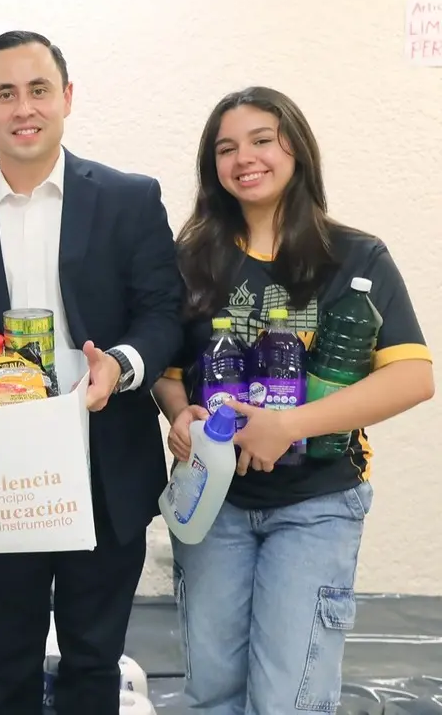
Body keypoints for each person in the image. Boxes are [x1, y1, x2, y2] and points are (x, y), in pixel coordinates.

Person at [0, 30, 184, 713]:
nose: (23, 107)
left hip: (106, 463)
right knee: (6, 667)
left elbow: (162, 315)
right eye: (5, 93)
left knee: (94, 664)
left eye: (38, 89)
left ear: (67, 97)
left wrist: (118, 367)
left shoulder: (129, 199)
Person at [154, 86, 434, 713]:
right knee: (211, 691)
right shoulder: (190, 260)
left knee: (290, 698)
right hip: (213, 505)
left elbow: (413, 377)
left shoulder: (355, 257)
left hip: (317, 504)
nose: (244, 158)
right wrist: (179, 413)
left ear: (296, 150)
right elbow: (168, 371)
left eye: (261, 140)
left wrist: (289, 424)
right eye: (226, 148)